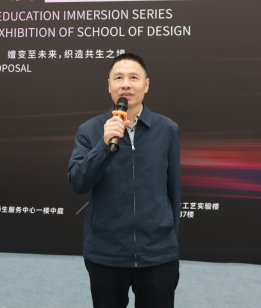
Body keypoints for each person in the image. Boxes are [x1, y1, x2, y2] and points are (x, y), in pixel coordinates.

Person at [67, 53, 181, 308]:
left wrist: (169, 241)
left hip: (157, 254)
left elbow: (173, 189)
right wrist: (103, 145)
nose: (126, 84)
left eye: (133, 78)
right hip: (106, 254)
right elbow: (77, 182)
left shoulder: (167, 129)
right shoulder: (90, 130)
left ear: (146, 85)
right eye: (118, 78)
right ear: (109, 85)